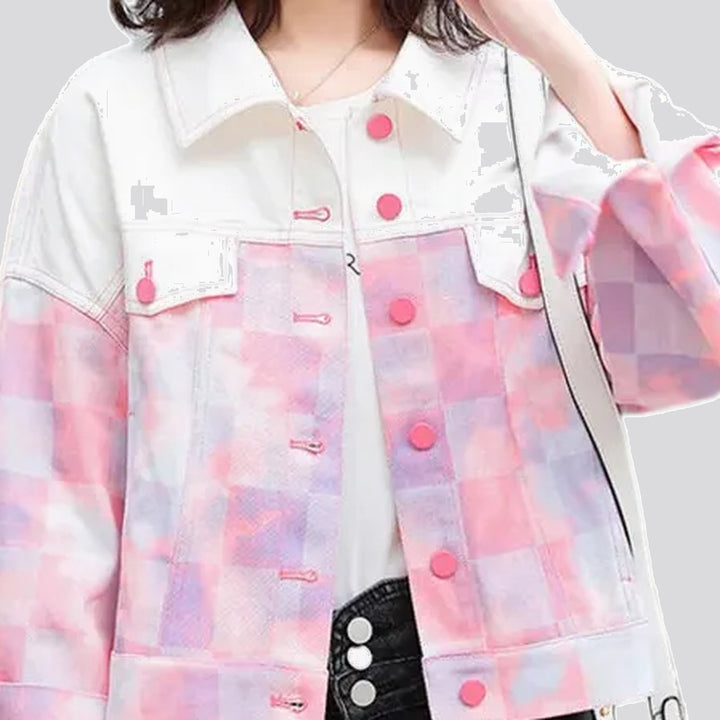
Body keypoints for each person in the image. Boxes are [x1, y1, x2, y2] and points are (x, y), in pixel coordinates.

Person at [0, 1, 718, 719]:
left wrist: (563, 57)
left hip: (526, 698)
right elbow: (52, 508)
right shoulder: (113, 113)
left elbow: (691, 344)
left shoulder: (522, 96)